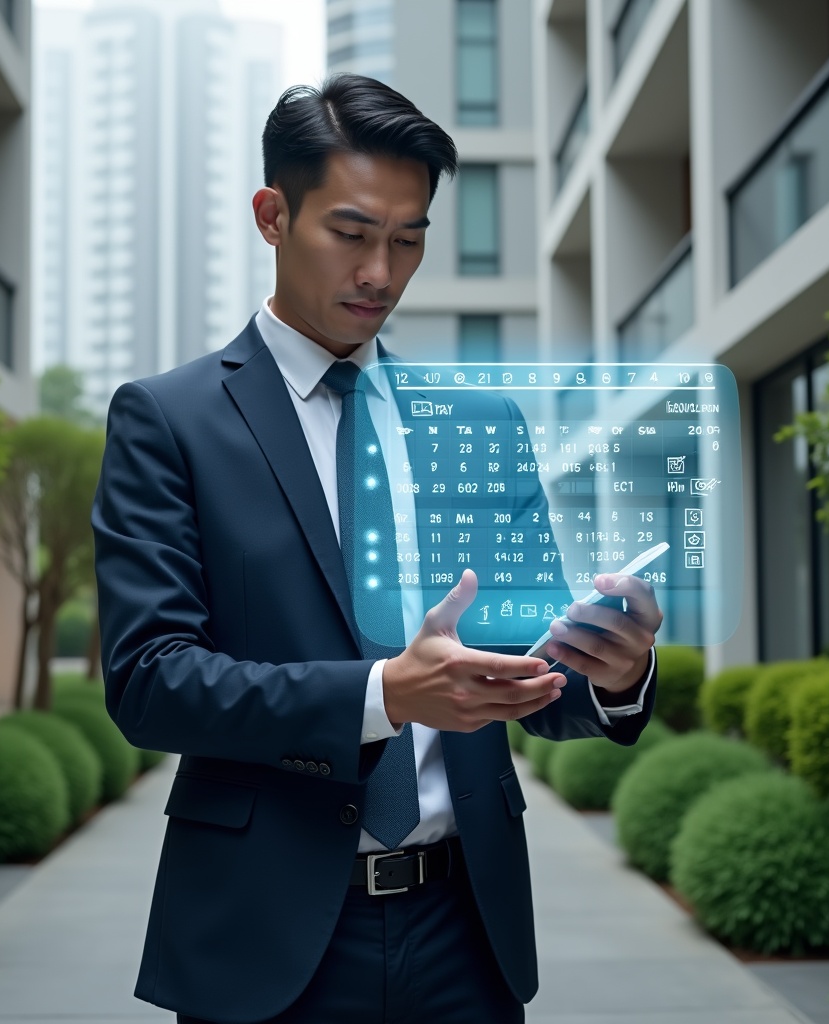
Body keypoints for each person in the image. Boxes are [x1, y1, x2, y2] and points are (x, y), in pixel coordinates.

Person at [92, 73, 662, 1024]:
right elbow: (150, 680)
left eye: (409, 241)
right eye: (352, 235)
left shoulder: (478, 422)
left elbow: (532, 673)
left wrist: (609, 671)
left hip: (467, 932)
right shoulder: (168, 420)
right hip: (266, 939)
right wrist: (381, 696)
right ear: (273, 215)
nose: (381, 275)